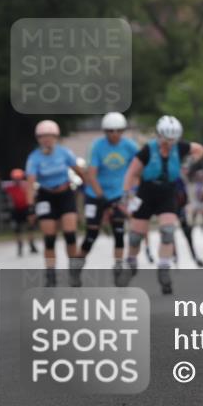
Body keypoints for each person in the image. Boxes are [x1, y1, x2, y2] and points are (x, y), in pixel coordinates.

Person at [119, 116, 203, 293]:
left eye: (174, 139)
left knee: (167, 231)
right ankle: (131, 264)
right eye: (167, 138)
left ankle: (164, 269)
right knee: (136, 236)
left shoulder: (179, 148)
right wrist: (126, 195)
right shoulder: (147, 150)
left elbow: (200, 149)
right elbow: (131, 173)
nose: (170, 142)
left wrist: (188, 163)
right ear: (159, 135)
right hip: (146, 192)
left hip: (167, 192)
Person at [75, 112, 139, 286]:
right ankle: (77, 266)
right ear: (105, 131)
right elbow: (91, 175)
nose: (114, 134)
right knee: (91, 234)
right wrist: (102, 197)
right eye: (110, 131)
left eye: (118, 131)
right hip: (96, 194)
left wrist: (135, 187)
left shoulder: (129, 146)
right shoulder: (97, 146)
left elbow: (139, 166)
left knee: (119, 232)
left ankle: (118, 268)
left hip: (118, 194)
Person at [25, 120, 87, 286]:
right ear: (38, 139)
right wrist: (30, 207)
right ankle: (50, 274)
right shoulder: (34, 158)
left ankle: (74, 271)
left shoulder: (64, 153)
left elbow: (80, 172)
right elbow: (30, 184)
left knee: (70, 235)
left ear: (56, 137)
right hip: (46, 196)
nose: (46, 140)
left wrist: (87, 189)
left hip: (65, 194)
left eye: (50, 137)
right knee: (49, 237)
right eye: (42, 137)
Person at [2, 169, 37, 256]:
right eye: (15, 178)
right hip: (15, 209)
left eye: (18, 178)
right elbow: (2, 189)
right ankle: (20, 246)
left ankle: (31, 244)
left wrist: (32, 208)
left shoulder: (26, 185)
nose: (17, 180)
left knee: (30, 226)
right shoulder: (9, 187)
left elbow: (33, 194)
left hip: (26, 208)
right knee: (17, 229)